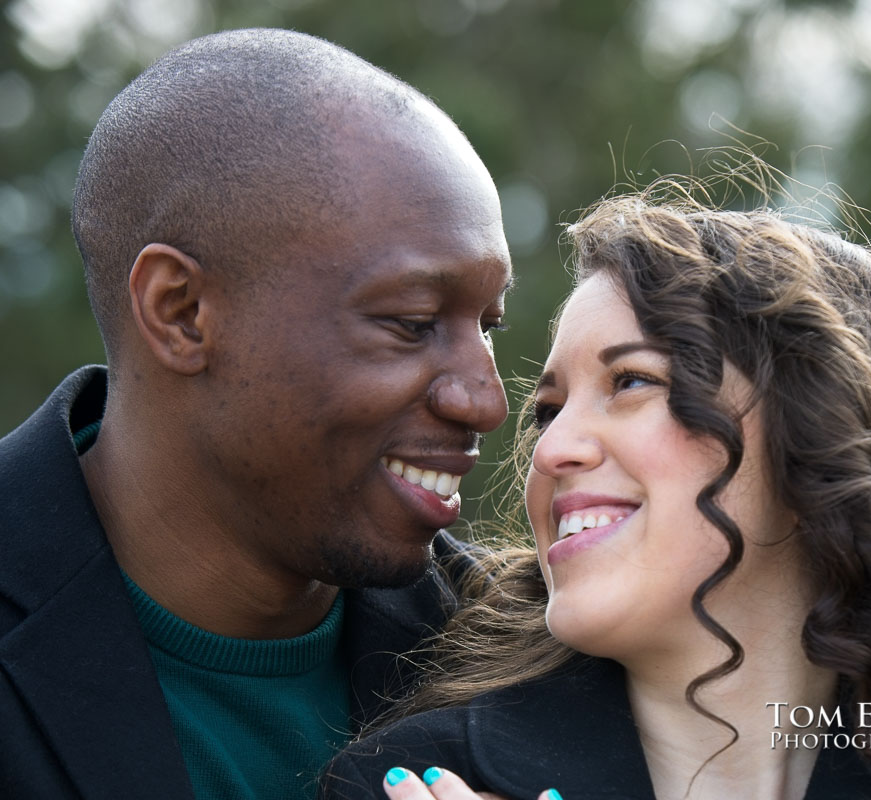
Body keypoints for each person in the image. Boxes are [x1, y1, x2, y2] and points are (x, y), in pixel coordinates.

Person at [321, 184, 871, 799]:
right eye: (549, 410)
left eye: (631, 382)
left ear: (825, 428)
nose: (553, 450)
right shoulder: (413, 781)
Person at [0, 27, 517, 800]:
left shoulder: (519, 663)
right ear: (181, 312)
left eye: (489, 327)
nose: (484, 399)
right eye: (412, 322)